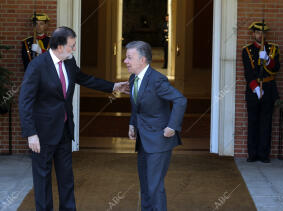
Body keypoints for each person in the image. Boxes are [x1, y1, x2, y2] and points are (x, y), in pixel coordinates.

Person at [18, 26, 129, 210]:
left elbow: (85, 79)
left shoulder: (69, 62)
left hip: (64, 130)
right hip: (42, 135)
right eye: (72, 45)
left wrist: (114, 86)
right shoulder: (37, 66)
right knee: (43, 179)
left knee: (67, 178)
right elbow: (25, 101)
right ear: (60, 46)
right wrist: (31, 133)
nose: (74, 49)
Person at [125, 41, 187, 210]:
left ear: (143, 60)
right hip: (144, 140)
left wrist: (172, 126)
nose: (125, 61)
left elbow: (180, 100)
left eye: (129, 57)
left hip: (159, 140)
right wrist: (132, 123)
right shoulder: (133, 78)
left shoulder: (157, 80)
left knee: (154, 187)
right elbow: (136, 105)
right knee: (145, 186)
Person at [242, 22, 280, 163]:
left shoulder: (273, 49)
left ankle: (264, 154)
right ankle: (252, 154)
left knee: (266, 122)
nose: (260, 35)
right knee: (252, 122)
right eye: (257, 32)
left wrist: (268, 59)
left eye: (263, 33)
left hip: (269, 87)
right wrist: (256, 88)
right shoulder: (247, 50)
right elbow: (248, 72)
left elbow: (276, 68)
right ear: (253, 34)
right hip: (253, 89)